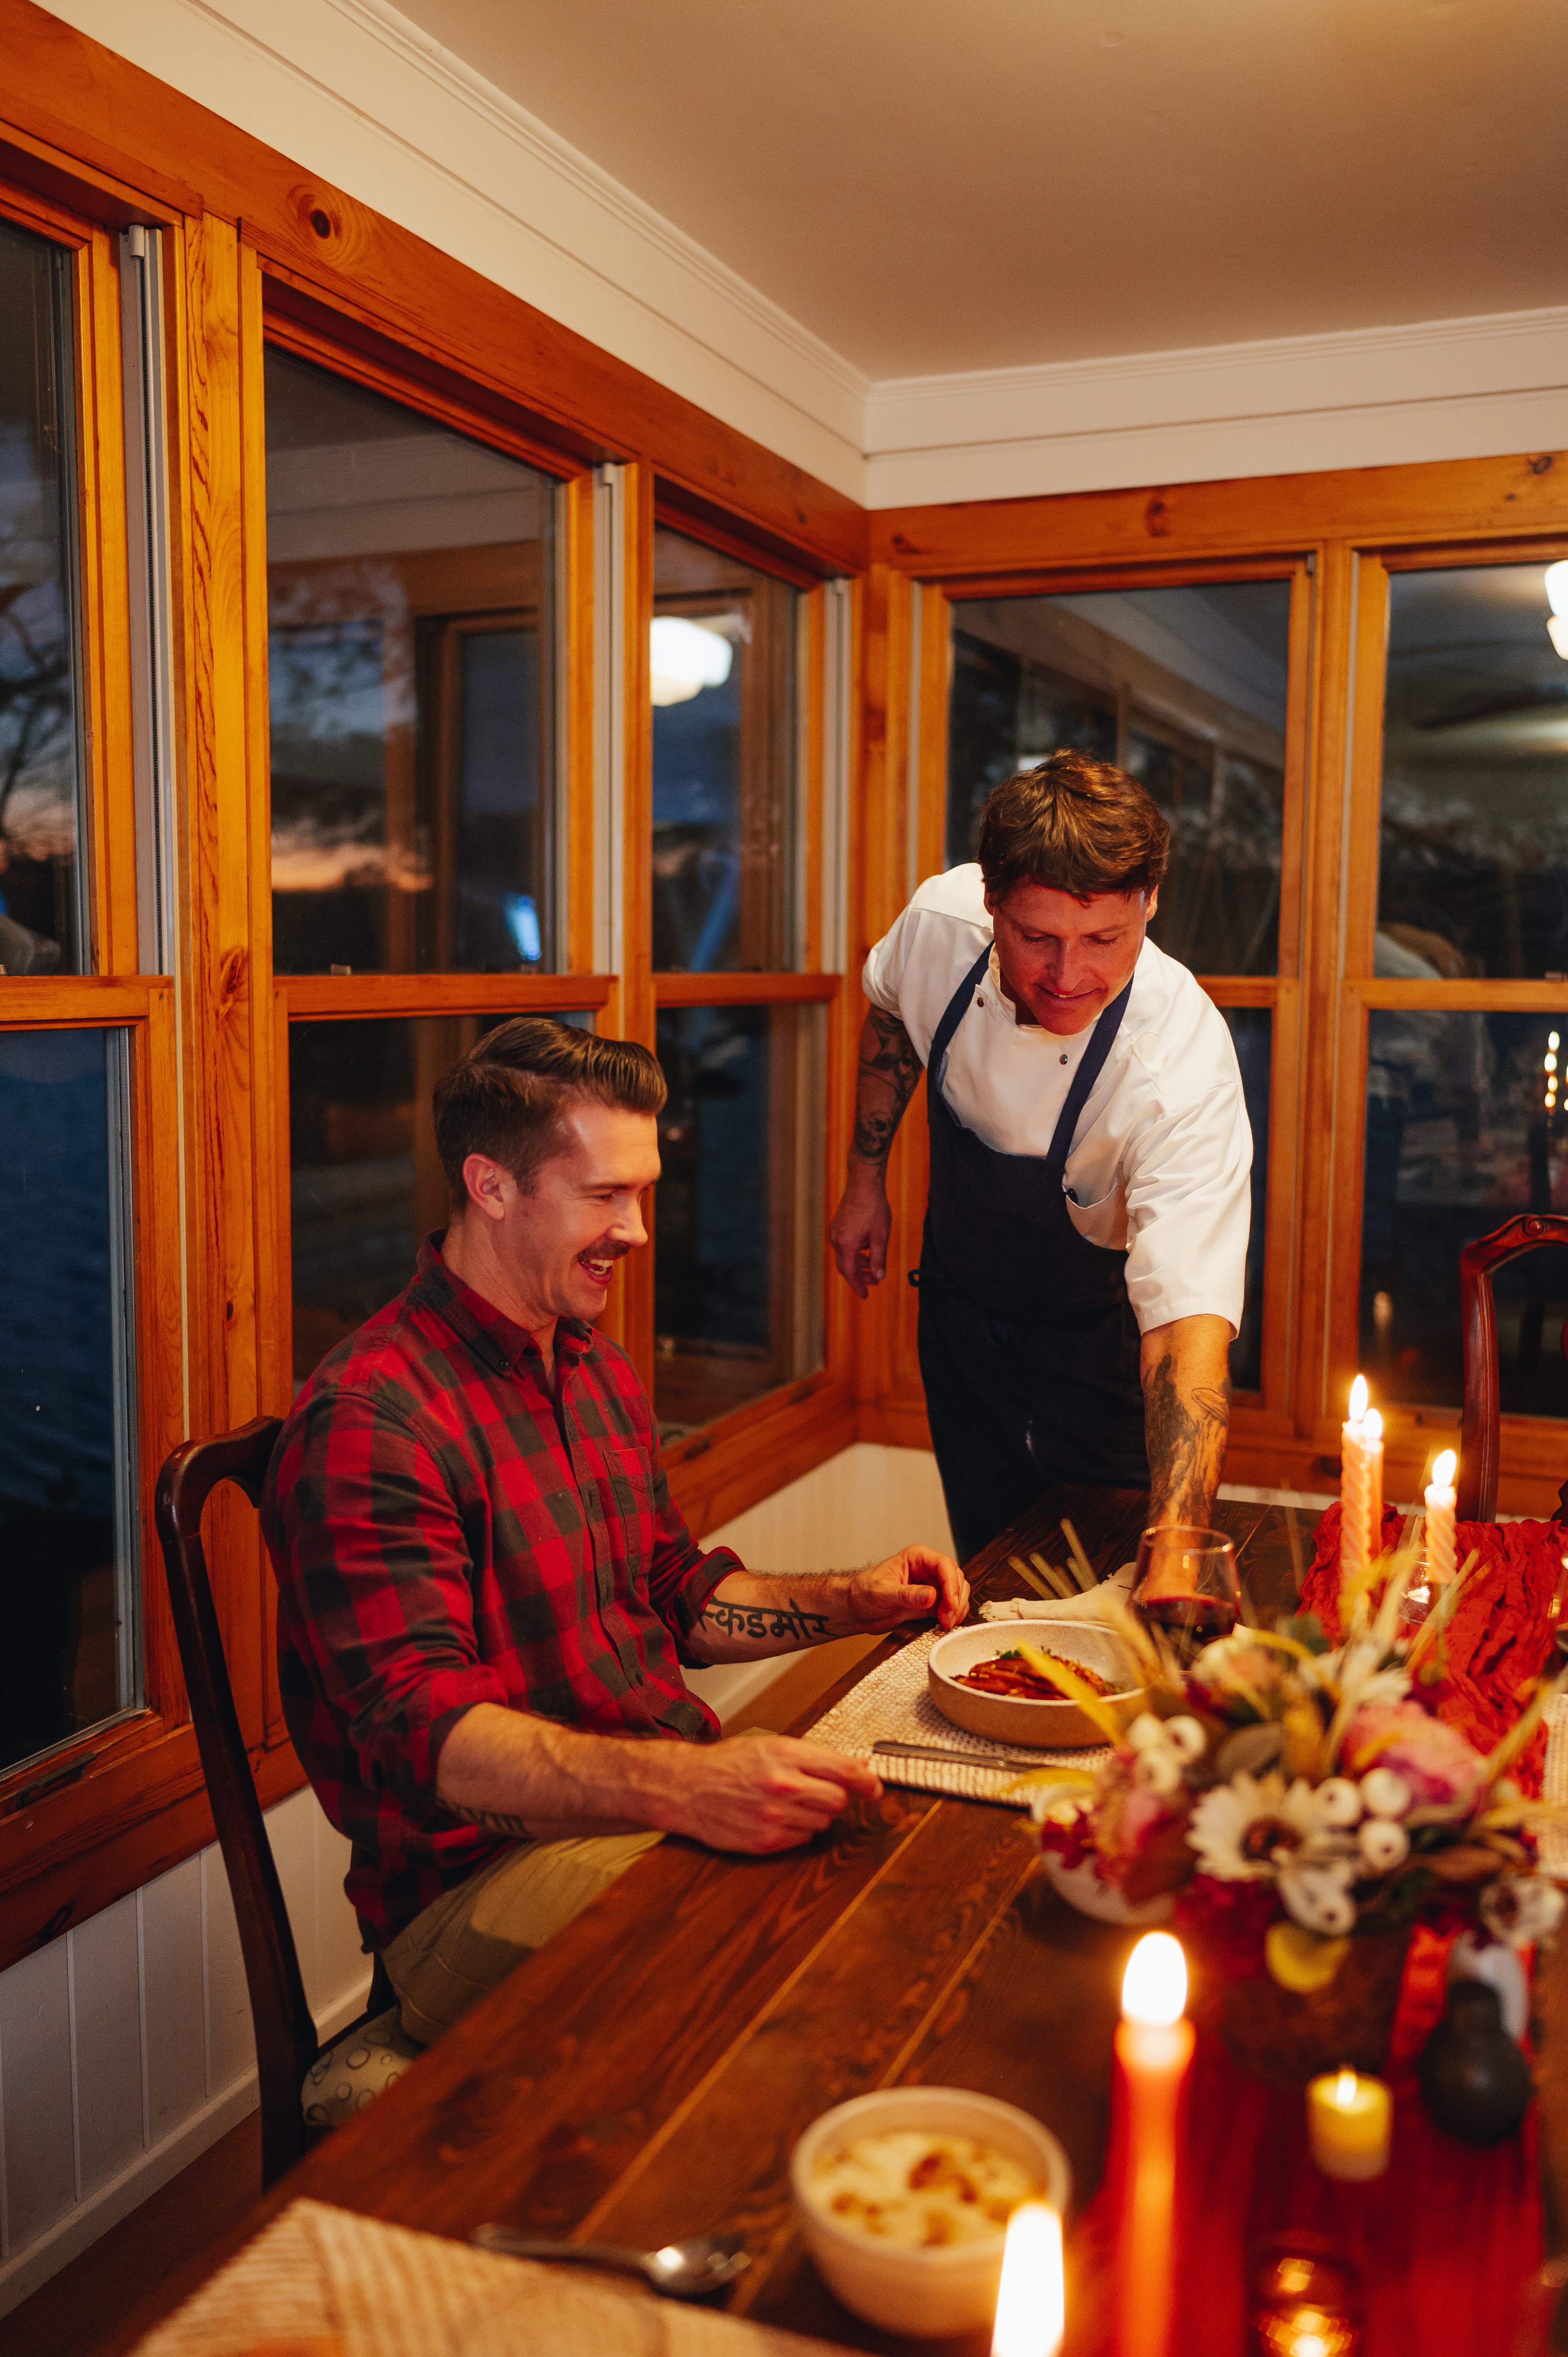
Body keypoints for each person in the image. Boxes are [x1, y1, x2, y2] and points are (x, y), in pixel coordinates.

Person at [263, 1018, 966, 2047]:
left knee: (908, 1844)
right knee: (810, 1961)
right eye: (605, 1196)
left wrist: (845, 1602)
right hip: (473, 1887)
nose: (638, 1231)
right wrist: (690, 1786)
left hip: (643, 1803)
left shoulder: (589, 1361)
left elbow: (673, 1592)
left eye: (641, 1192)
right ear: (490, 1185)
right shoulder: (374, 1419)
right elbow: (427, 1742)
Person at [828, 752, 1251, 1566]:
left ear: (1150, 903)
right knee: (991, 1558)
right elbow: (889, 1014)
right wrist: (863, 1180)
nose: (1067, 976)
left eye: (1105, 940)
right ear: (990, 905)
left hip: (1098, 1352)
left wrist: (1180, 1544)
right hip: (958, 1311)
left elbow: (1184, 1326)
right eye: (1035, 938)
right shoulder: (938, 928)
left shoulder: (1179, 1059)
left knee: (1117, 1571)